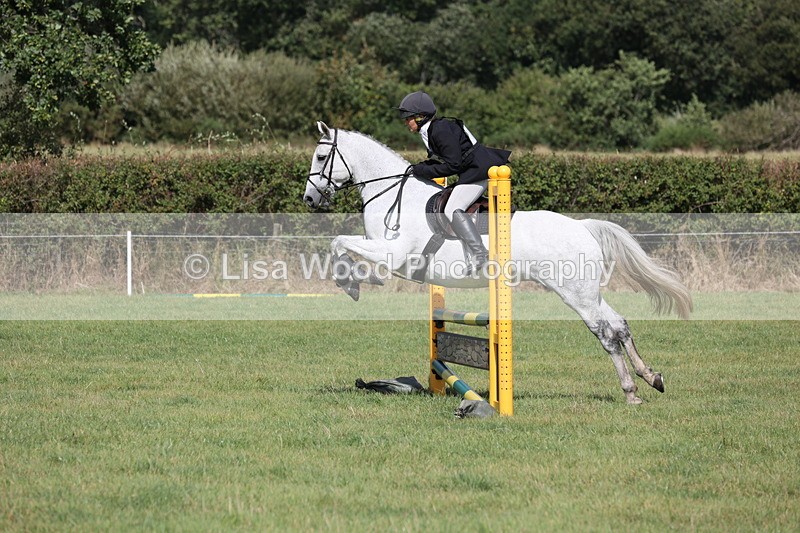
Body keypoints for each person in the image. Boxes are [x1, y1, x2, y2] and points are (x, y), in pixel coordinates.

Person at [397, 90, 511, 272]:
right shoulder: (433, 129)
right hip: (471, 171)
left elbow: (453, 165)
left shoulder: (440, 130)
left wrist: (423, 170)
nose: (405, 122)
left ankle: (480, 253)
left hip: (478, 171)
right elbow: (447, 161)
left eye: (408, 118)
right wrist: (421, 167)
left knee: (451, 209)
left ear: (420, 117)